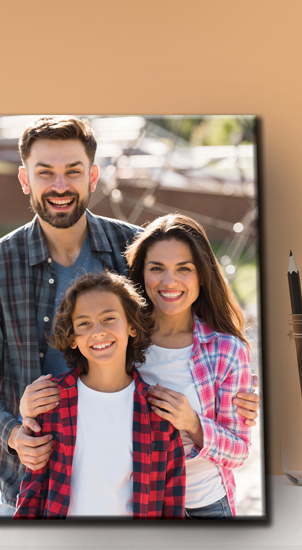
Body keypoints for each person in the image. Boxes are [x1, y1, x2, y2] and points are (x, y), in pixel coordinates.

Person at [0, 115, 259, 516]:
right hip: (30, 484)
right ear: (25, 179)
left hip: (129, 485)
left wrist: (239, 385)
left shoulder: (132, 248)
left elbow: (187, 312)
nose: (60, 186)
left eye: (73, 172)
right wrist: (12, 433)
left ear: (93, 176)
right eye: (45, 173)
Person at [14, 271, 185, 519]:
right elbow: (32, 491)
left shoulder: (158, 412)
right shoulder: (52, 404)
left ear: (132, 327)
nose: (98, 331)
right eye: (84, 323)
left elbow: (172, 503)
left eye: (109, 318)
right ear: (72, 339)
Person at [125, 214, 252, 518]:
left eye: (184, 269)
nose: (169, 282)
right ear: (141, 274)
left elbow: (239, 451)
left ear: (202, 275)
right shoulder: (122, 341)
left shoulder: (226, 350)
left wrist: (193, 423)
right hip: (138, 505)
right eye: (157, 269)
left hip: (205, 506)